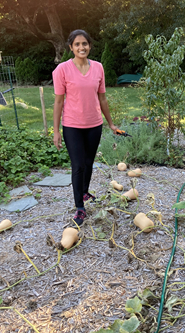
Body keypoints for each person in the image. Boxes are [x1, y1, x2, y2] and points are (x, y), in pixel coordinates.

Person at [53, 29, 119, 226]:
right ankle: (79, 207)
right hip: (72, 125)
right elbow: (58, 102)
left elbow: (103, 98)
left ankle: (84, 192)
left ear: (89, 45)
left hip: (94, 124)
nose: (82, 47)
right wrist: (56, 131)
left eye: (85, 44)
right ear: (71, 47)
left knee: (89, 163)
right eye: (77, 44)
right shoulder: (62, 70)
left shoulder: (98, 68)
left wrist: (110, 123)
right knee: (78, 165)